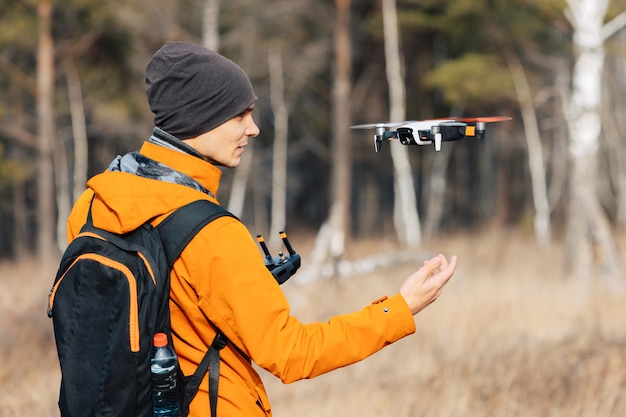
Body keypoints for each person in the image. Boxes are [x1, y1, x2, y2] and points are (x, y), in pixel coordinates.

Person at [67, 41, 457, 417]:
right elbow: (292, 352)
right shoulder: (212, 233)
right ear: (198, 118)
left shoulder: (92, 203)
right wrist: (400, 309)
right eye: (240, 115)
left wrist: (246, 284)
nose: (253, 129)